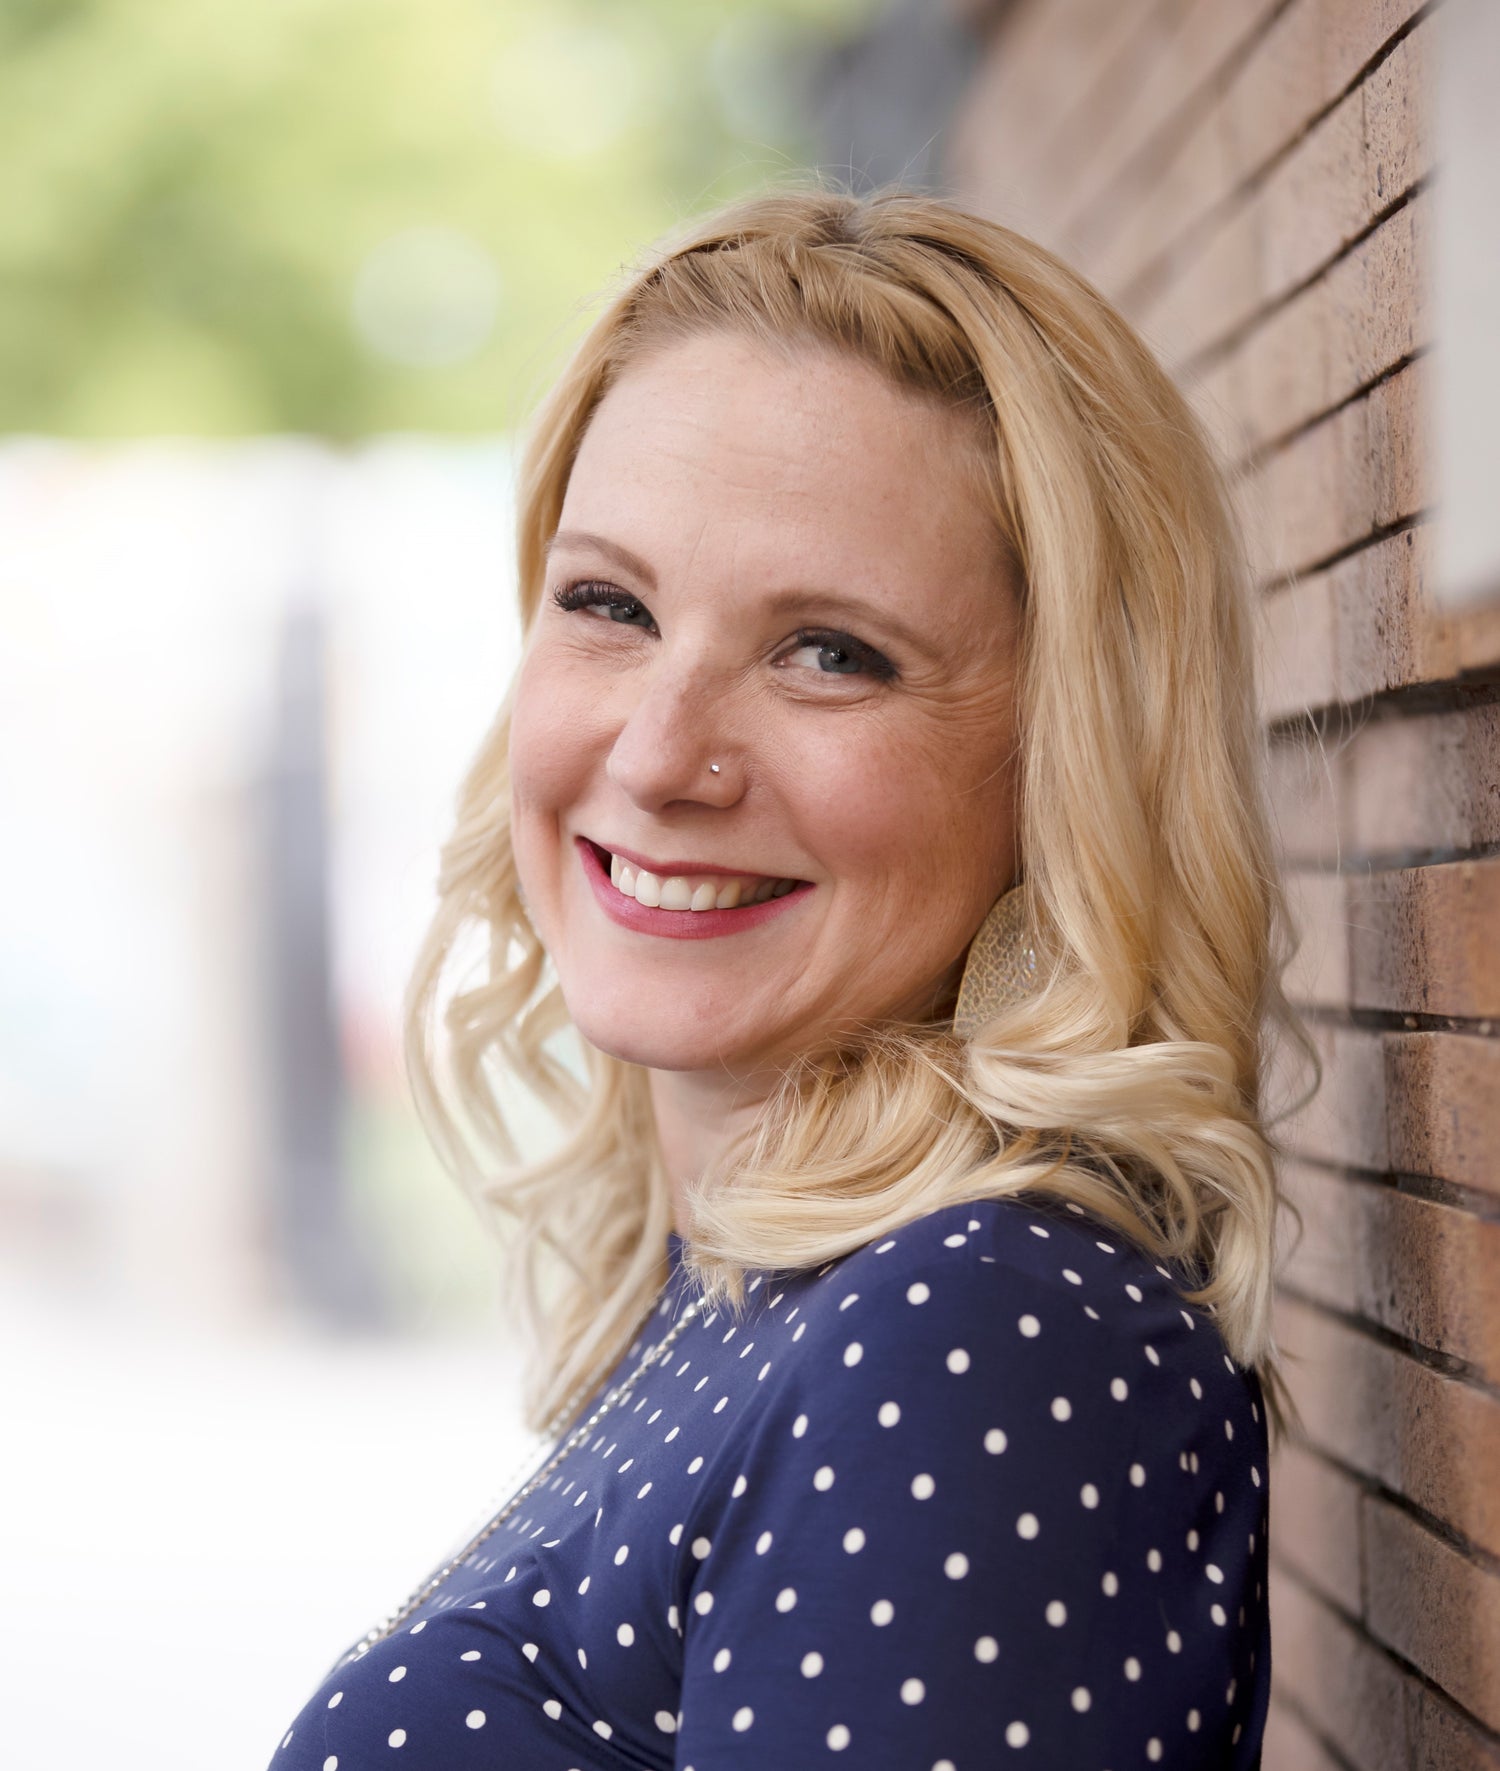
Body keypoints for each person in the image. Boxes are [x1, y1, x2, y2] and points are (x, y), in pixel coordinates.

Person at [267, 185, 1307, 1769]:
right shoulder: (760, 1283)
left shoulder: (982, 1337)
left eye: (830, 651)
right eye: (609, 605)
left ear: (1065, 765)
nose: (660, 752)